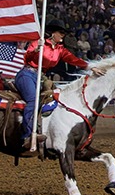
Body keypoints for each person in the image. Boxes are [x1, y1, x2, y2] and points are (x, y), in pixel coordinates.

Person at [11, 26, 87, 155]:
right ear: (53, 33)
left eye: (64, 33)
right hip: (26, 74)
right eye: (61, 32)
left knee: (49, 101)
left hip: (40, 77)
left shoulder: (60, 49)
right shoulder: (38, 42)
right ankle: (28, 136)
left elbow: (73, 60)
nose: (63, 35)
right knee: (33, 101)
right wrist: (36, 50)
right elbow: (26, 58)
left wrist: (89, 66)